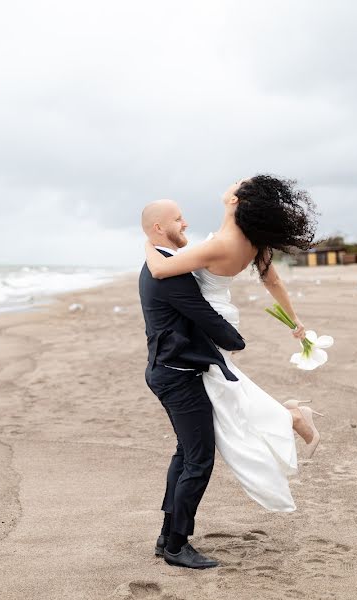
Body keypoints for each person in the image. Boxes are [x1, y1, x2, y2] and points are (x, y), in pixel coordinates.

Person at [143, 175, 323, 517]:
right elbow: (273, 280)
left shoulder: (221, 245)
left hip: (209, 321)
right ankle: (291, 416)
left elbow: (162, 269)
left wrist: (148, 244)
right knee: (224, 393)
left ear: (235, 201)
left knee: (226, 402)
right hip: (222, 314)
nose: (232, 184)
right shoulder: (253, 242)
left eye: (239, 184)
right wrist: (295, 320)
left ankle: (291, 417)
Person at [139, 199, 246, 569]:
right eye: (177, 218)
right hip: (176, 376)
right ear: (157, 228)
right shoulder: (167, 273)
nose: (185, 223)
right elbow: (203, 313)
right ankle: (177, 545)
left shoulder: (161, 264)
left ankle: (167, 536)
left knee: (186, 454)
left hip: (169, 371)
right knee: (198, 459)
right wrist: (236, 340)